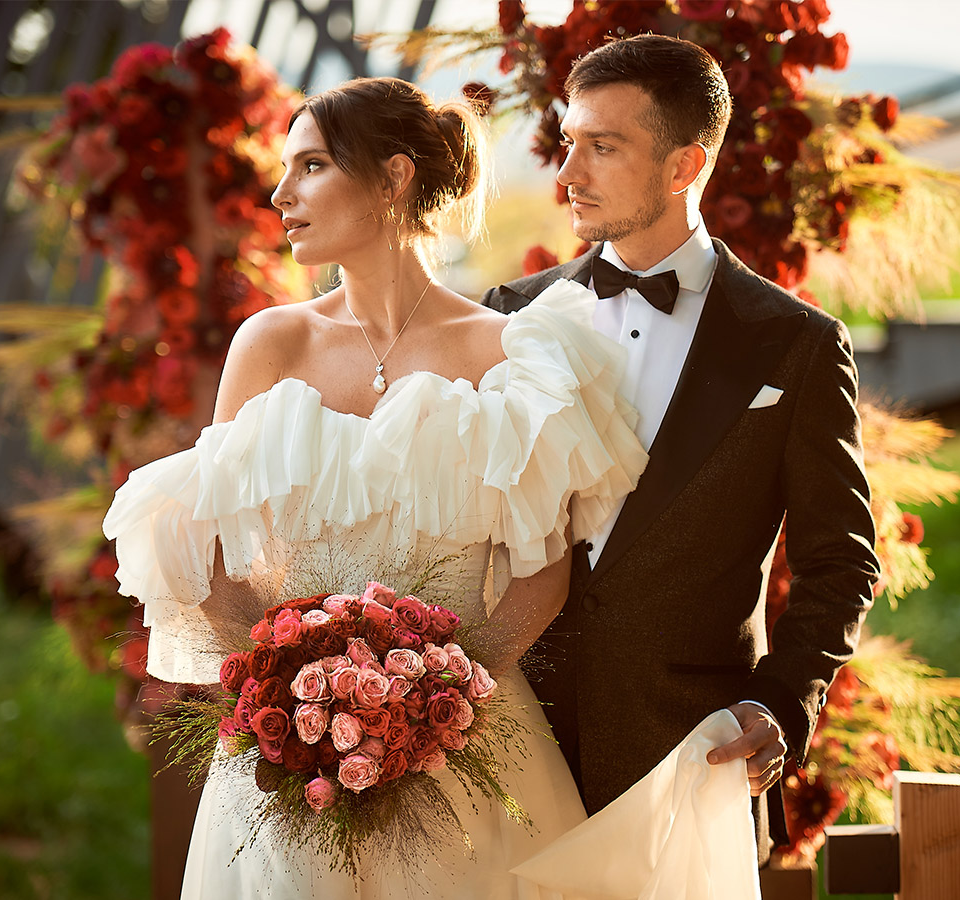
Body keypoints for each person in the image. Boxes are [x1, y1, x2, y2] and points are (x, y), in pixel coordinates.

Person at [103, 77, 647, 898]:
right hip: (294, 761)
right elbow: (207, 550)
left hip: (469, 752)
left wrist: (434, 707)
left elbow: (543, 573)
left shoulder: (511, 353)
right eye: (286, 170)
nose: (282, 194)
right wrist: (287, 687)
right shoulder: (268, 345)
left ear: (394, 178)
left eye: (312, 165)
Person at [482, 34, 881, 865]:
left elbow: (840, 561)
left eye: (603, 146)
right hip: (510, 757)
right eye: (567, 143)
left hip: (690, 763)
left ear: (682, 165)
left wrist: (778, 704)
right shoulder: (507, 317)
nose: (569, 174)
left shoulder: (793, 344)